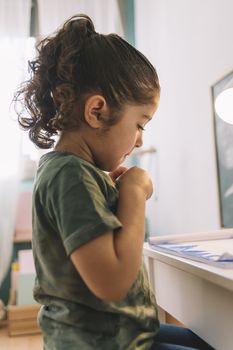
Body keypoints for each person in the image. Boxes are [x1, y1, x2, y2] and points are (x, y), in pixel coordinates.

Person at [15, 14, 214, 350]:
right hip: (99, 343)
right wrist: (134, 193)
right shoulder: (70, 176)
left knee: (215, 338)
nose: (138, 141)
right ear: (97, 112)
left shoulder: (79, 174)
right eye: (140, 124)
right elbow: (112, 282)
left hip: (116, 332)